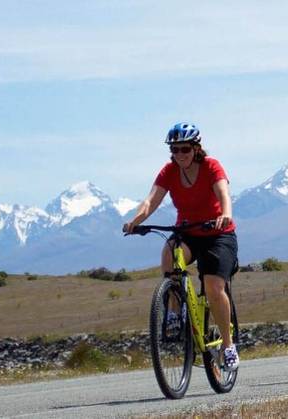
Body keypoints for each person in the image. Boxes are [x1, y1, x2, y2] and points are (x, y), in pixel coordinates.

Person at [123, 122, 240, 371]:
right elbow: (150, 200)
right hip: (188, 232)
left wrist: (226, 214)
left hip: (217, 233)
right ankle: (174, 312)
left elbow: (223, 194)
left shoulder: (211, 166)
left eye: (184, 149)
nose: (179, 155)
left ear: (196, 148)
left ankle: (228, 346)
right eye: (174, 150)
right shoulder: (169, 171)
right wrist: (135, 221)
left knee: (212, 285)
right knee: (169, 255)